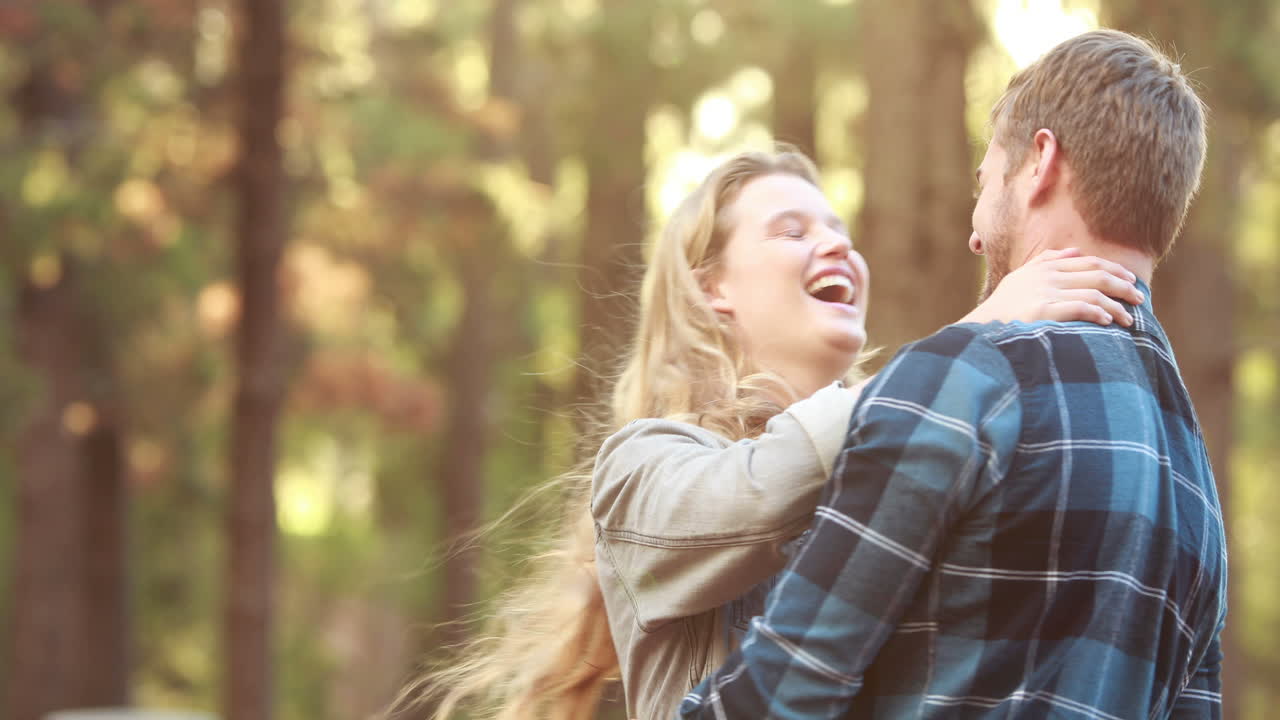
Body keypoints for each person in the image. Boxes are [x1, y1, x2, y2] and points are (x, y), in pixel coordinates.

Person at [396, 147, 1141, 720]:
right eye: (792, 230)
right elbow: (756, 495)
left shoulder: (906, 455)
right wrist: (975, 336)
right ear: (711, 288)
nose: (837, 247)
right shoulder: (640, 466)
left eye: (841, 232)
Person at [676, 29, 1225, 720]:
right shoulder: (1195, 480)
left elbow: (782, 691)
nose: (973, 233)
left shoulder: (968, 376)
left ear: (1041, 163)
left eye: (986, 182)